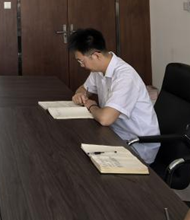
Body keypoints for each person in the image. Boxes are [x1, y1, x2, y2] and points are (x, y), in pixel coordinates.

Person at [68, 28, 160, 164]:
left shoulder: (125, 76)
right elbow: (84, 88)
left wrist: (91, 105)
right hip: (114, 134)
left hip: (136, 145)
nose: (82, 65)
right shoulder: (99, 70)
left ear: (96, 56)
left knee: (79, 161)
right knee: (74, 148)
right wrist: (80, 94)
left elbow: (105, 119)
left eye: (81, 61)